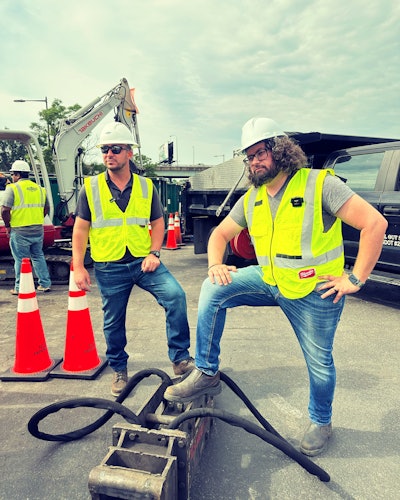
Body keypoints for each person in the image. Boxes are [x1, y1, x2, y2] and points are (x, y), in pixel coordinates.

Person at [164, 117, 388, 456]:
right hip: (269, 282)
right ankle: (207, 371)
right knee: (213, 289)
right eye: (249, 155)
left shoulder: (318, 185)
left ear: (280, 151)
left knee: (320, 363)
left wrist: (355, 279)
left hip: (314, 293)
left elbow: (375, 223)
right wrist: (215, 265)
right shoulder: (252, 197)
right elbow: (220, 235)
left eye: (261, 152)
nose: (255, 161)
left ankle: (321, 421)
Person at [72, 122, 194, 396]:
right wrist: (78, 267)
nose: (108, 154)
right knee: (113, 320)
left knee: (175, 296)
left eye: (115, 149)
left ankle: (180, 359)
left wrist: (154, 252)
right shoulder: (90, 188)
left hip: (143, 262)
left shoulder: (146, 186)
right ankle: (118, 369)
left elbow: (159, 222)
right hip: (108, 266)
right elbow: (80, 229)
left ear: (129, 152)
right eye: (104, 150)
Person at [1, 160, 52, 295]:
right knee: (38, 256)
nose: (12, 177)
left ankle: (20, 288)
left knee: (21, 260)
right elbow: (46, 208)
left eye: (13, 174)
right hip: (37, 229)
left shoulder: (12, 188)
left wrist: (8, 226)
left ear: (17, 174)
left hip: (19, 230)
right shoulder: (41, 190)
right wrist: (37, 218)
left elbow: (5, 210)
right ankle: (45, 284)